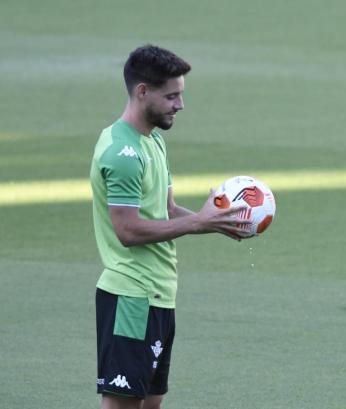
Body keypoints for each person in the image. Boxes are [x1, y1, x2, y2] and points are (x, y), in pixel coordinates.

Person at [90, 44, 249, 409]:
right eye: (172, 96)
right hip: (131, 297)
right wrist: (198, 223)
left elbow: (167, 209)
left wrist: (217, 222)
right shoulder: (122, 153)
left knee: (152, 400)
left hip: (159, 295)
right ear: (142, 91)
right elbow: (128, 232)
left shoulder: (154, 141)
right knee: (123, 404)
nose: (180, 105)